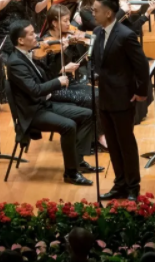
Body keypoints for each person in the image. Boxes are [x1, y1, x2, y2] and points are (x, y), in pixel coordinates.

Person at [6, 20, 99, 185]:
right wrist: (58, 82)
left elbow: (45, 77)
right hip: (32, 113)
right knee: (68, 126)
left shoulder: (29, 54)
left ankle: (78, 162)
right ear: (20, 40)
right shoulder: (15, 63)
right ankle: (71, 173)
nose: (36, 36)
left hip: (44, 104)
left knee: (87, 114)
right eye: (31, 34)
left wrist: (61, 68)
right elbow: (35, 90)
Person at [91, 0, 151, 201]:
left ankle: (133, 185)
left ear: (108, 13)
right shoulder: (97, 32)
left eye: (96, 10)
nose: (93, 13)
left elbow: (141, 66)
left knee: (126, 143)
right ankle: (120, 184)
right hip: (104, 98)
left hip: (123, 97)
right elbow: (97, 60)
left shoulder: (126, 35)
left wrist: (141, 92)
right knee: (113, 144)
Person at [40, 4, 106, 149]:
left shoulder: (67, 37)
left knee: (99, 93)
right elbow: (45, 75)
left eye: (69, 20)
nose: (69, 24)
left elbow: (79, 61)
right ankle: (95, 138)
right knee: (91, 98)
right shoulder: (45, 44)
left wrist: (80, 49)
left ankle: (98, 134)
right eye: (65, 21)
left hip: (70, 82)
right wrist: (63, 68)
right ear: (54, 23)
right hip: (55, 88)